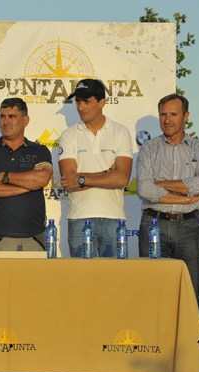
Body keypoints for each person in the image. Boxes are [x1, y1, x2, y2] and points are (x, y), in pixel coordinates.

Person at [136, 93, 199, 296]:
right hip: (153, 224)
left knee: (188, 292)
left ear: (185, 116)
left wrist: (160, 184)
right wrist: (185, 196)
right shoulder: (148, 149)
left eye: (173, 114)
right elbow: (144, 188)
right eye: (163, 114)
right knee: (151, 291)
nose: (167, 120)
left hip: (188, 225)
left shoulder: (198, 147)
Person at [58, 79, 134, 257]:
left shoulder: (120, 132)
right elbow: (69, 182)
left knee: (114, 275)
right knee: (81, 275)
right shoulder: (68, 135)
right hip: (79, 219)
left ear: (102, 103)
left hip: (114, 219)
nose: (80, 107)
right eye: (78, 101)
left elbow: (122, 179)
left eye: (86, 101)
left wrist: (81, 178)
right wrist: (108, 173)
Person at [0, 97, 53, 253]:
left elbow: (42, 179)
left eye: (12, 116)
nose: (5, 122)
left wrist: (5, 176)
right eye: (2, 116)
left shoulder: (39, 150)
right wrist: (29, 186)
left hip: (34, 238)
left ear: (25, 120)